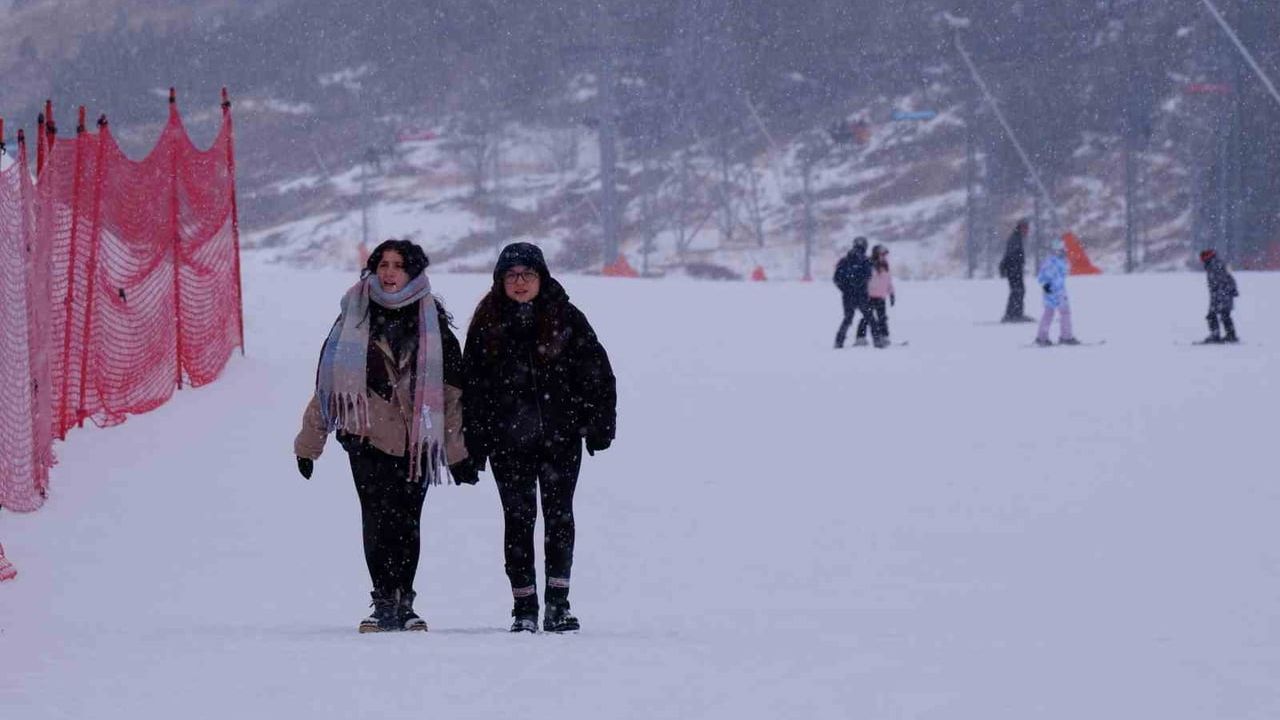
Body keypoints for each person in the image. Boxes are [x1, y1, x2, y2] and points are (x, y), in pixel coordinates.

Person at [294, 239, 478, 634]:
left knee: (408, 521)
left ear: (413, 273)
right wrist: (309, 444)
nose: (389, 273)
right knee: (377, 519)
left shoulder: (433, 324)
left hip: (417, 441)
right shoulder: (353, 317)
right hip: (366, 437)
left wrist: (458, 452)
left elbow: (449, 394)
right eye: (383, 265)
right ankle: (382, 602)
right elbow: (328, 385)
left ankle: (405, 601)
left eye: (398, 266)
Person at [462, 242, 616, 633]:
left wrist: (599, 425)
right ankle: (524, 606)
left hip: (560, 440)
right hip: (506, 442)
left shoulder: (566, 316)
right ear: (500, 280)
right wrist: (473, 446)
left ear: (541, 278)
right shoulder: (486, 322)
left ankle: (558, 604)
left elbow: (597, 373)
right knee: (518, 520)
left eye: (527, 274)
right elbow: (472, 389)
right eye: (511, 275)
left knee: (559, 517)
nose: (519, 282)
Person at [1034, 239, 1079, 346]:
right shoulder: (1057, 262)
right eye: (1062, 250)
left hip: (1049, 290)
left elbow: (1041, 278)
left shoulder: (1048, 262)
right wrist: (1055, 290)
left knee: (1049, 313)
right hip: (1057, 291)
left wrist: (1047, 289)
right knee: (1064, 313)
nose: (1064, 252)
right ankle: (1066, 336)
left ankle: (1042, 337)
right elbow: (1055, 278)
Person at [832, 236, 874, 348]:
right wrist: (861, 287)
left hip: (847, 295)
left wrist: (845, 289)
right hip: (862, 295)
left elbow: (836, 279)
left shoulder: (844, 260)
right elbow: (868, 276)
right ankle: (878, 341)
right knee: (870, 317)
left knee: (848, 318)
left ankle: (839, 341)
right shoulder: (866, 260)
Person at [855, 244, 895, 348]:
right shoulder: (869, 264)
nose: (884, 256)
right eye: (882, 254)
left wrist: (891, 293)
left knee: (882, 318)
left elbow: (888, 281)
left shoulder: (885, 265)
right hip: (869, 296)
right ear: (876, 254)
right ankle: (860, 338)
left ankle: (884, 336)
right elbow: (863, 279)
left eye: (885, 255)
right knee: (866, 318)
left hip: (881, 296)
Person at [1200, 248, 1240, 343]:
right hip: (1223, 294)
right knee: (1224, 314)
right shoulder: (1216, 263)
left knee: (1213, 315)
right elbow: (1228, 278)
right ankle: (1231, 335)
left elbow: (1221, 281)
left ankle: (1216, 335)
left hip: (1221, 294)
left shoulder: (1214, 265)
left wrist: (1220, 294)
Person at [999, 219, 1033, 322]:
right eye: (1026, 228)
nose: (1027, 231)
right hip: (1013, 270)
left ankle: (1015, 314)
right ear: (1021, 227)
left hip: (1015, 269)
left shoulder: (1017, 238)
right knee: (1017, 291)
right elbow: (1010, 256)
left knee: (1018, 291)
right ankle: (1012, 315)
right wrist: (1012, 268)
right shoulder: (1015, 239)